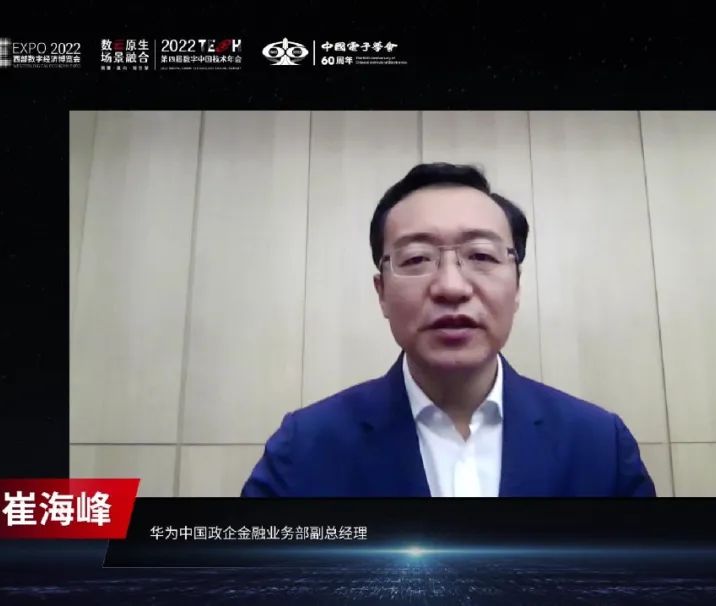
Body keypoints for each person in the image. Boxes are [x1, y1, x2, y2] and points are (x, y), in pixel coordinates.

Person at [242, 162, 656, 497]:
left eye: (481, 255)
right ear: (382, 293)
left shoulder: (599, 445)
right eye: (417, 258)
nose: (451, 287)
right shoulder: (305, 448)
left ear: (516, 287)